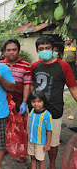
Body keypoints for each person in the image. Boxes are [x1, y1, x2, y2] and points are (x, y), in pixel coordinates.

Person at [31, 35, 77, 169]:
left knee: (53, 141)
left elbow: (73, 87)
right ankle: (36, 163)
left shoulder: (64, 66)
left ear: (52, 49)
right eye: (41, 48)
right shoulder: (35, 66)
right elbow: (31, 85)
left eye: (47, 48)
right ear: (37, 51)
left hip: (55, 110)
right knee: (35, 139)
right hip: (36, 110)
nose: (44, 50)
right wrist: (26, 104)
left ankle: (51, 165)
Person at [0, 39, 31, 114]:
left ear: (18, 51)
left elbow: (27, 85)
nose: (11, 52)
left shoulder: (26, 66)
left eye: (14, 50)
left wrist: (24, 102)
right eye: (8, 50)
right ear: (4, 52)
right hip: (3, 103)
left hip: (19, 103)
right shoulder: (0, 65)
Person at [28, 91, 52, 169]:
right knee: (33, 158)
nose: (36, 104)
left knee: (40, 160)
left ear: (43, 102)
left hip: (40, 143)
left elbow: (49, 130)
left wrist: (48, 144)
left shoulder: (47, 115)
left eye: (39, 101)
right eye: (33, 101)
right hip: (31, 141)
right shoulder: (32, 112)